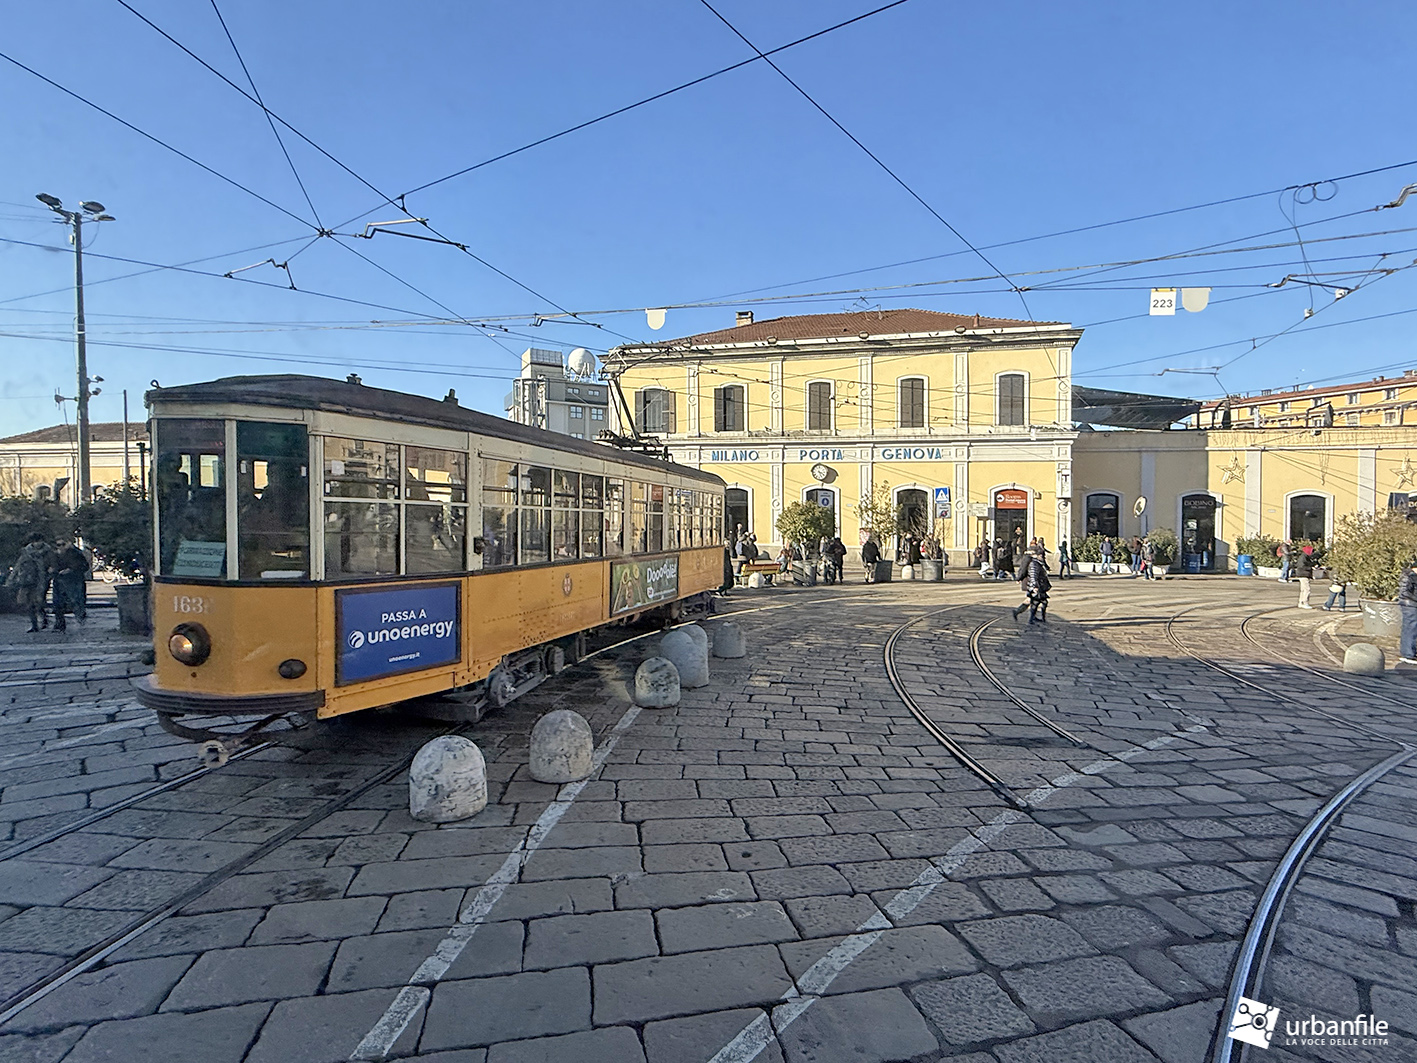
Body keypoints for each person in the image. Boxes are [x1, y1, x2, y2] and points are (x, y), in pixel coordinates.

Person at [5, 534, 55, 632]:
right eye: (35, 541)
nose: (37, 543)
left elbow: (53, 564)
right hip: (27, 581)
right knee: (29, 604)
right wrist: (10, 579)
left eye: (39, 541)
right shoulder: (26, 552)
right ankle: (34, 624)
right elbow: (18, 566)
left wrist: (49, 574)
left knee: (39, 602)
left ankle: (42, 618)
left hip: (41, 581)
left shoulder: (48, 552)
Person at [51, 539, 90, 632]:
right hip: (60, 580)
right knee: (58, 603)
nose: (61, 547)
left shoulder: (75, 553)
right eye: (58, 545)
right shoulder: (55, 555)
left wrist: (72, 570)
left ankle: (80, 619)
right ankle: (60, 623)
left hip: (74, 580)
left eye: (63, 544)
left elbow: (84, 566)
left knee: (76, 601)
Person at [1011, 547, 1052, 623]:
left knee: (1033, 601)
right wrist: (1034, 586)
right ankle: (1031, 617)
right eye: (1042, 556)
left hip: (1036, 585)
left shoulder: (1037, 563)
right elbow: (1033, 575)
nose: (1044, 557)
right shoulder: (1034, 563)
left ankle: (1030, 616)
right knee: (1036, 602)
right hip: (1035, 585)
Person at [1399, 557, 1417, 664]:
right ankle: (1408, 653)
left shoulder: (1408, 576)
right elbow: (1410, 593)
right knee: (1411, 627)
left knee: (1410, 627)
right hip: (1410, 604)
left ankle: (1409, 651)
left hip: (1409, 604)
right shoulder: (1411, 577)